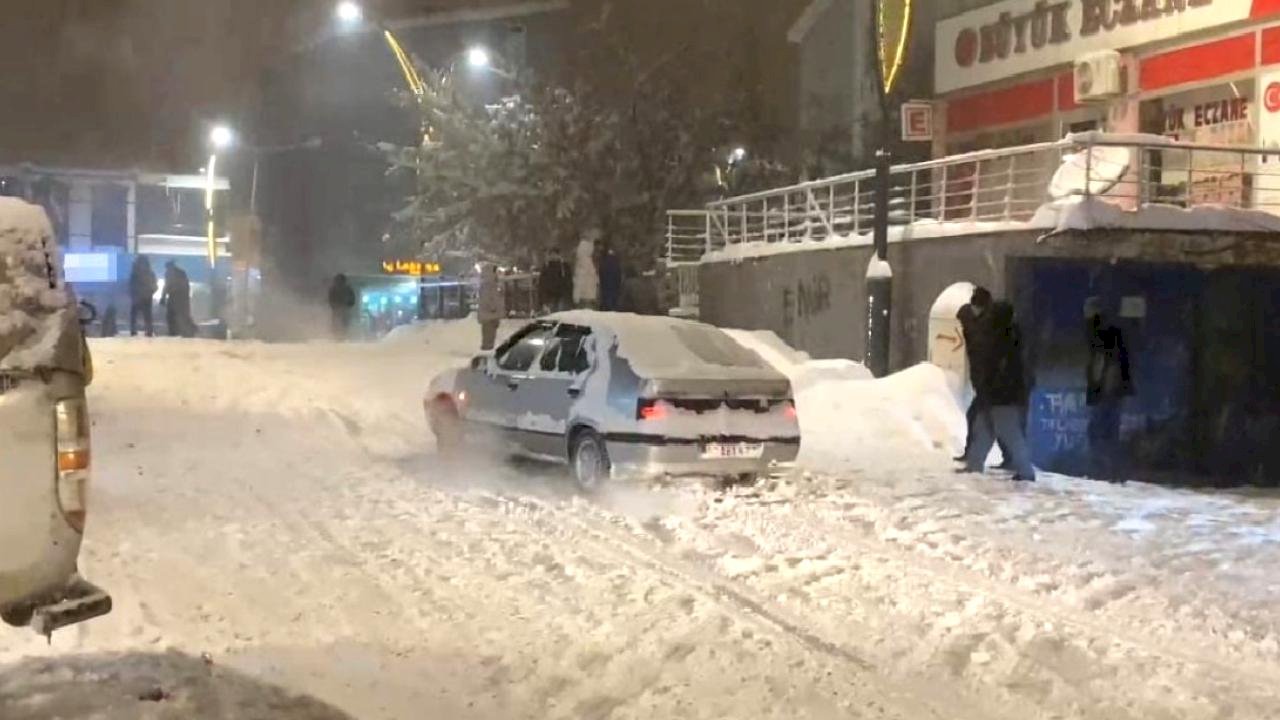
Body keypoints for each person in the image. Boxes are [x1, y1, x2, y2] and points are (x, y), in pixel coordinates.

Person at [963, 301, 1037, 482]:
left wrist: (988, 385)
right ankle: (974, 465)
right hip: (999, 394)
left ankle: (1026, 471)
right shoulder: (1010, 336)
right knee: (984, 429)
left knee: (1008, 433)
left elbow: (996, 368)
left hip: (1002, 396)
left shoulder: (1003, 339)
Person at [1085, 297, 1132, 480]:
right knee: (1109, 431)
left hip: (1107, 389)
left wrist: (1102, 386)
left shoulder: (1100, 331)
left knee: (1100, 430)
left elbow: (1105, 362)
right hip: (1111, 389)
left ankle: (1105, 471)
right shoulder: (1111, 330)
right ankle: (1112, 471)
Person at [160, 261, 194, 338]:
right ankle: (188, 331)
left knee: (171, 315)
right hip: (183, 297)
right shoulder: (182, 273)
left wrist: (163, 297)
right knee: (184, 315)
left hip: (174, 297)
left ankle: (173, 332)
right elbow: (186, 285)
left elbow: (167, 286)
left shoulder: (169, 273)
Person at [477, 264, 505, 351]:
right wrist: (493, 308)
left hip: (491, 315)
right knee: (488, 337)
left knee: (490, 336)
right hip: (489, 315)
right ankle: (486, 352)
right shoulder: (488, 285)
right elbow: (488, 299)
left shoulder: (492, 284)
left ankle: (487, 350)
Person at [128, 256, 157, 337]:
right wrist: (150, 292)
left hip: (138, 297)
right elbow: (154, 285)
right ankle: (148, 331)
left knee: (136, 315)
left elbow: (131, 285)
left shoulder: (135, 273)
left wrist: (133, 294)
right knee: (147, 315)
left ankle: (135, 331)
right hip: (145, 297)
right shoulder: (150, 273)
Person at [539, 248, 572, 313]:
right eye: (552, 254)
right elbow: (542, 284)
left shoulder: (564, 266)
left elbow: (568, 281)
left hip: (559, 295)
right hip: (552, 295)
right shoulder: (547, 266)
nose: (553, 256)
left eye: (555, 254)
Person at [327, 274, 357, 341]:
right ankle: (342, 335)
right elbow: (352, 299)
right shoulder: (348, 288)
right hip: (343, 309)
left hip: (338, 309)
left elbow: (330, 299)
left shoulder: (333, 289)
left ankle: (338, 336)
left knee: (337, 322)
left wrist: (333, 306)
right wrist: (349, 305)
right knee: (344, 322)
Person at [573, 236, 599, 309]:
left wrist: (576, 296)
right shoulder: (590, 263)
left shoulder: (581, 263)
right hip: (591, 296)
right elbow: (596, 280)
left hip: (582, 296)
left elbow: (579, 280)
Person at [599, 245, 623, 312]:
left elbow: (601, 274)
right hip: (614, 287)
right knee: (613, 303)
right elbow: (618, 276)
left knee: (606, 302)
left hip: (606, 287)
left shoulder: (603, 262)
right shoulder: (616, 262)